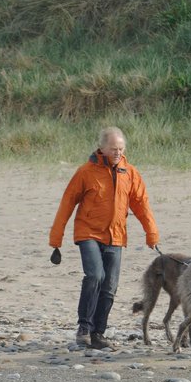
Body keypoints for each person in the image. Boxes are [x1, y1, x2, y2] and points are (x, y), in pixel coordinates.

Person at [49, 126, 159, 350]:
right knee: (95, 276)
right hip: (88, 232)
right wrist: (56, 237)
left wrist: (152, 233)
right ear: (102, 148)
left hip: (116, 236)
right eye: (113, 148)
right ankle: (84, 328)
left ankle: (98, 333)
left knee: (110, 286)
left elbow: (141, 205)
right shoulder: (85, 172)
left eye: (121, 148)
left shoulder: (130, 173)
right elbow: (67, 203)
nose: (118, 152)